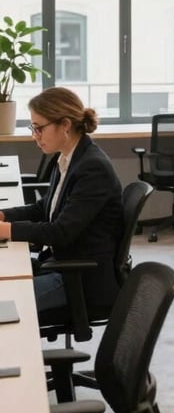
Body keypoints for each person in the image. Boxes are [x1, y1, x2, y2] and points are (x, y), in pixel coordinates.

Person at [0, 87, 124, 315]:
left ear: (65, 125)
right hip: (59, 264)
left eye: (39, 128)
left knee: (6, 299)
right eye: (32, 128)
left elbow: (60, 232)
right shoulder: (68, 157)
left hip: (79, 279)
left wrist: (6, 230)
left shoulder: (92, 168)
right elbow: (44, 207)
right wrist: (5, 215)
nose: (34, 135)